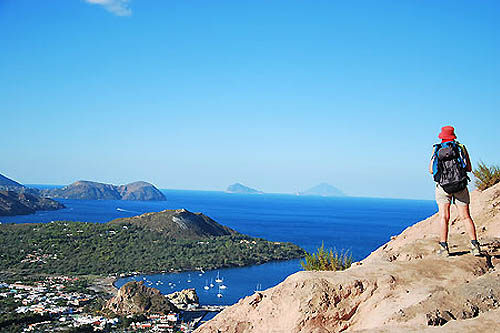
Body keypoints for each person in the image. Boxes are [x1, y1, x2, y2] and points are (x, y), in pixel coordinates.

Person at [428, 125, 481, 257]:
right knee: (465, 216)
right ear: (453, 135)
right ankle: (475, 246)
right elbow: (468, 168)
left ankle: (444, 247)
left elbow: (431, 170)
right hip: (460, 186)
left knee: (444, 217)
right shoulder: (461, 148)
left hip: (443, 187)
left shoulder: (437, 148)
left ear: (442, 136)